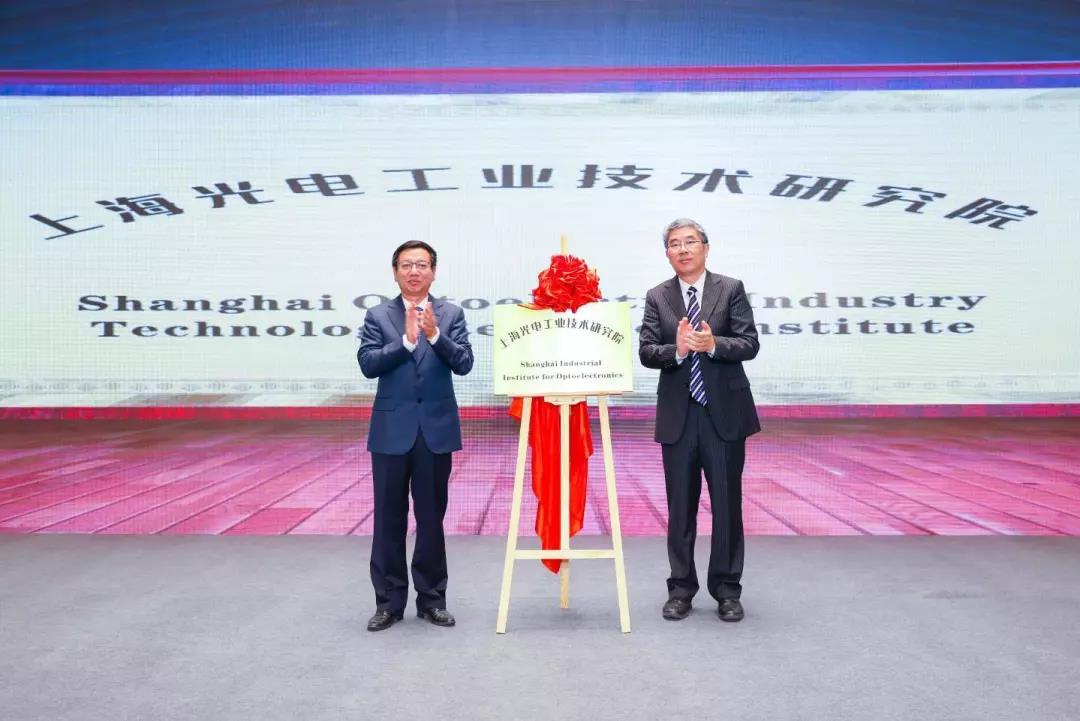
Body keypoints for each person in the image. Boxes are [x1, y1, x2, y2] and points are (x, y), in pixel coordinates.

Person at [639, 218, 761, 623]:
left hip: (723, 414)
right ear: (667, 254)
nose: (683, 249)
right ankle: (680, 589)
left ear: (706, 248)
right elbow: (646, 351)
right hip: (679, 415)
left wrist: (713, 344)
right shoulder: (657, 296)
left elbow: (749, 343)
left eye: (690, 242)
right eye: (675, 243)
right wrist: (675, 351)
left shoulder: (730, 288)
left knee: (727, 506)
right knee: (680, 508)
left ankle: (727, 590)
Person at [358, 240, 473, 631]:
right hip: (391, 432)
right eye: (406, 265)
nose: (414, 271)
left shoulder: (451, 314)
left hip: (435, 432)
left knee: (430, 520)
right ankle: (388, 603)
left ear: (433, 272)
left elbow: (464, 363)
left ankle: (432, 600)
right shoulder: (378, 315)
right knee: (388, 521)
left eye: (421, 264)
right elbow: (368, 364)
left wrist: (435, 336)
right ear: (395, 272)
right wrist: (406, 342)